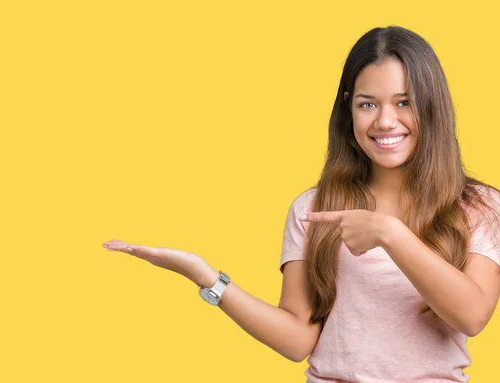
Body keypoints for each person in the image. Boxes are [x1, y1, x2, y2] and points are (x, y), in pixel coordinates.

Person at [102, 26, 500, 382]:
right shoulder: (315, 208)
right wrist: (206, 278)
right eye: (367, 104)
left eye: (403, 102)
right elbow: (297, 340)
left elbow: (472, 315)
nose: (384, 121)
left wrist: (389, 234)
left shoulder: (477, 206)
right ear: (348, 108)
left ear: (432, 106)